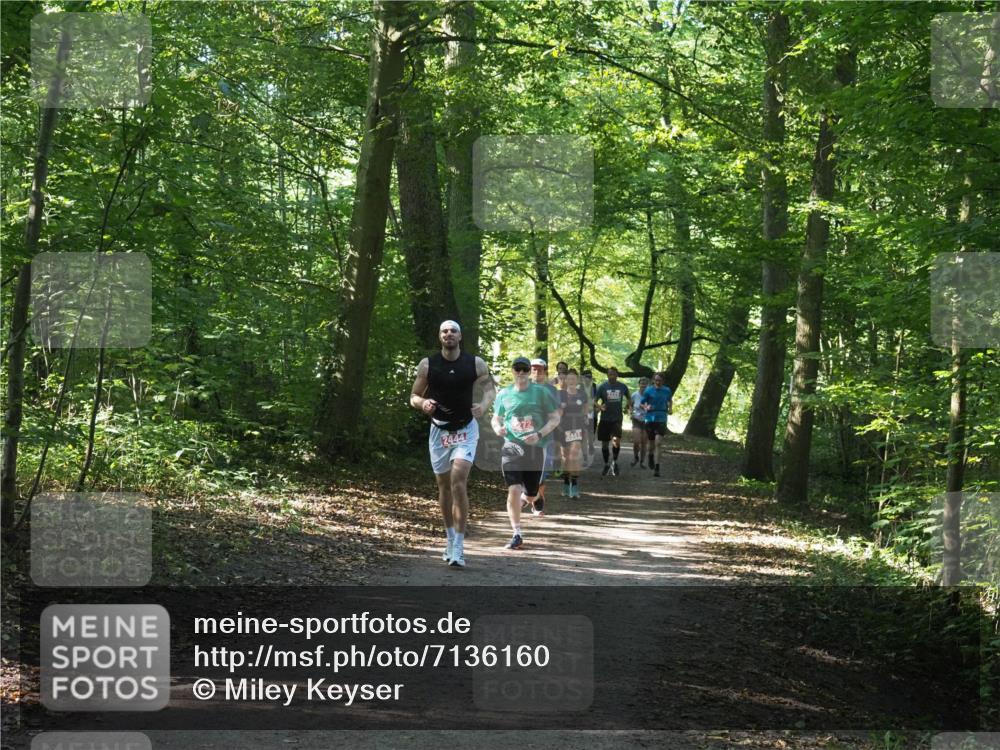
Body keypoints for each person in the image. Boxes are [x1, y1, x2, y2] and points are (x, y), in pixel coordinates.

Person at [410, 320, 495, 568]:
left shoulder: (475, 363)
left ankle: (459, 544)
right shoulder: (428, 364)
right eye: (444, 331)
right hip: (439, 431)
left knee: (458, 480)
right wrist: (422, 403)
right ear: (440, 337)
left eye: (453, 331)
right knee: (444, 486)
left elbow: (490, 390)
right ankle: (449, 538)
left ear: (460, 336)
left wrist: (484, 405)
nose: (449, 334)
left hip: (466, 429)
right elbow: (413, 396)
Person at [491, 357, 561, 550]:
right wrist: (497, 428)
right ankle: (517, 533)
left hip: (535, 448)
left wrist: (539, 434)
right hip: (512, 446)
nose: (521, 372)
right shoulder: (504, 394)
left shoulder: (541, 393)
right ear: (512, 371)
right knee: (513, 489)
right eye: (517, 369)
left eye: (524, 369)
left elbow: (555, 419)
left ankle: (535, 497)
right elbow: (496, 418)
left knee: (529, 494)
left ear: (529, 372)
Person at [528, 358, 562, 515]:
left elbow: (558, 412)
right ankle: (531, 497)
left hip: (546, 435)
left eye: (540, 369)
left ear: (545, 371)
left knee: (542, 471)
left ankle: (537, 501)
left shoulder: (552, 390)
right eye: (533, 369)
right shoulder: (523, 388)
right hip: (525, 435)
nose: (536, 372)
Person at [558, 369, 588, 498]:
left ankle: (574, 486)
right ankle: (566, 482)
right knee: (565, 457)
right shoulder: (561, 394)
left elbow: (585, 411)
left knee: (574, 455)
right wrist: (561, 409)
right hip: (563, 427)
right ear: (566, 380)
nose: (571, 381)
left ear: (577, 380)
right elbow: (557, 413)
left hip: (577, 427)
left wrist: (585, 421)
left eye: (573, 379)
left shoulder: (582, 395)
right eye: (569, 379)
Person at [595, 367, 629, 476]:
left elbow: (629, 398)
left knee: (616, 440)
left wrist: (627, 407)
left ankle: (614, 462)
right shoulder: (602, 387)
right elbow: (594, 401)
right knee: (605, 445)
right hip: (605, 418)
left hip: (617, 418)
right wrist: (600, 407)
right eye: (610, 374)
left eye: (614, 374)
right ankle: (606, 464)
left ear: (617, 375)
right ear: (607, 375)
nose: (612, 376)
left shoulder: (622, 386)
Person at [641, 371, 673, 477]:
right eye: (656, 380)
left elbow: (670, 401)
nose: (657, 382)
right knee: (651, 444)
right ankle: (650, 455)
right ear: (653, 380)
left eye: (659, 380)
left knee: (658, 443)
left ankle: (657, 467)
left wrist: (670, 408)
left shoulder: (667, 390)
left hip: (662, 418)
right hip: (650, 419)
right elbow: (642, 403)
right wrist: (646, 407)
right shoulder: (648, 390)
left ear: (663, 381)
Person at [630, 376, 651, 468]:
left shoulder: (650, 396)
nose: (643, 386)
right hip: (636, 420)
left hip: (647, 421)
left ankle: (642, 462)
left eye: (645, 384)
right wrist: (631, 412)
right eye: (642, 384)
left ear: (648, 385)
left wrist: (648, 408)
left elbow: (653, 406)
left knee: (644, 443)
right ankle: (636, 458)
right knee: (636, 441)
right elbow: (630, 405)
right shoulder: (634, 395)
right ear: (639, 385)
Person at [582, 369, 597, 464]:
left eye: (590, 377)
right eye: (586, 377)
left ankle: (591, 445)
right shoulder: (579, 387)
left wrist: (597, 407)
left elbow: (596, 398)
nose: (588, 378)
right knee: (584, 435)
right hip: (582, 413)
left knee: (591, 434)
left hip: (592, 413)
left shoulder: (594, 386)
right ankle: (585, 458)